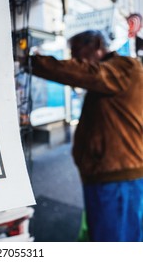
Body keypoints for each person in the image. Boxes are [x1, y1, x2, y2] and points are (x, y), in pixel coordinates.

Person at [27, 30, 143, 242]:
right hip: (107, 175)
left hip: (118, 176)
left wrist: (31, 61)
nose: (74, 60)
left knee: (116, 240)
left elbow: (85, 72)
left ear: (97, 44)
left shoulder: (126, 67)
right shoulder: (111, 74)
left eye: (77, 53)